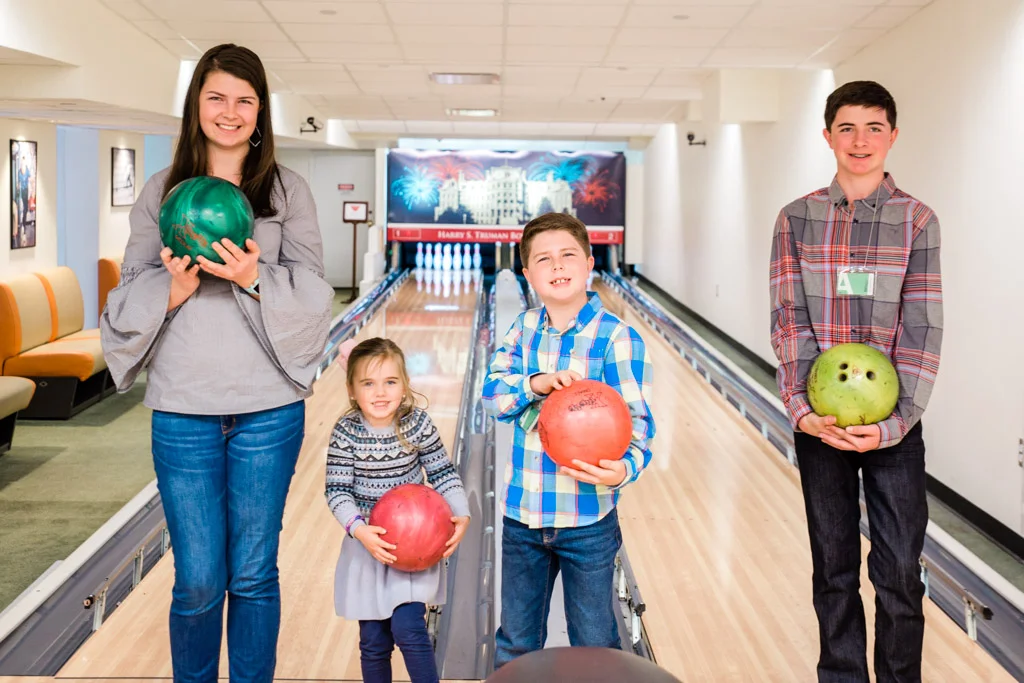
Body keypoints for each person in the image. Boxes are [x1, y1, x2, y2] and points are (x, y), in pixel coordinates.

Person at [99, 44, 334, 683]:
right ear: (196, 106)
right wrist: (171, 290)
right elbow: (128, 293)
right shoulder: (160, 191)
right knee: (198, 579)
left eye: (244, 100)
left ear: (260, 114)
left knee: (254, 574)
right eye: (216, 97)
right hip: (183, 409)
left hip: (267, 408)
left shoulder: (287, 191)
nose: (229, 112)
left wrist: (256, 278)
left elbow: (316, 289)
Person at [769, 80, 943, 682]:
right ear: (827, 136)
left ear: (893, 135)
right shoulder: (796, 218)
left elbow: (922, 329)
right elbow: (788, 322)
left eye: (874, 127)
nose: (860, 140)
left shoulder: (918, 220)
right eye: (847, 127)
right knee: (834, 569)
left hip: (895, 430)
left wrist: (894, 424)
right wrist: (801, 410)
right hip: (819, 424)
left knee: (898, 573)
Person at [481, 212, 656, 669]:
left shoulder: (618, 339)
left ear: (590, 262)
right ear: (528, 274)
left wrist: (625, 468)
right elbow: (494, 396)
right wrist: (536, 384)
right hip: (522, 516)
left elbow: (639, 427)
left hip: (589, 519)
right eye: (543, 259)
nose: (556, 266)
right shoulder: (522, 329)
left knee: (595, 643)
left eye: (567, 255)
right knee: (516, 641)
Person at [325, 337, 471, 683]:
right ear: (352, 390)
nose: (380, 392)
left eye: (390, 382)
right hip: (369, 547)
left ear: (404, 385)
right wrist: (359, 529)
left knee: (409, 629)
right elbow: (337, 491)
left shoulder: (417, 424)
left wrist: (460, 513)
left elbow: (443, 473)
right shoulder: (346, 432)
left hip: (415, 548)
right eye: (368, 384)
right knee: (373, 641)